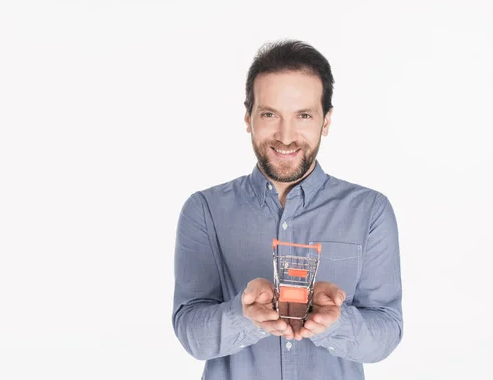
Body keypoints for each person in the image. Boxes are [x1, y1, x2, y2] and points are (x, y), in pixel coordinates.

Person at [171, 39, 403, 380]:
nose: (286, 135)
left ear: (326, 122)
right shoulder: (204, 210)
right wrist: (243, 315)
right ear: (248, 118)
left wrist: (336, 322)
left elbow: (387, 332)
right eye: (269, 114)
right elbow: (191, 334)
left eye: (304, 115)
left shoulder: (371, 211)